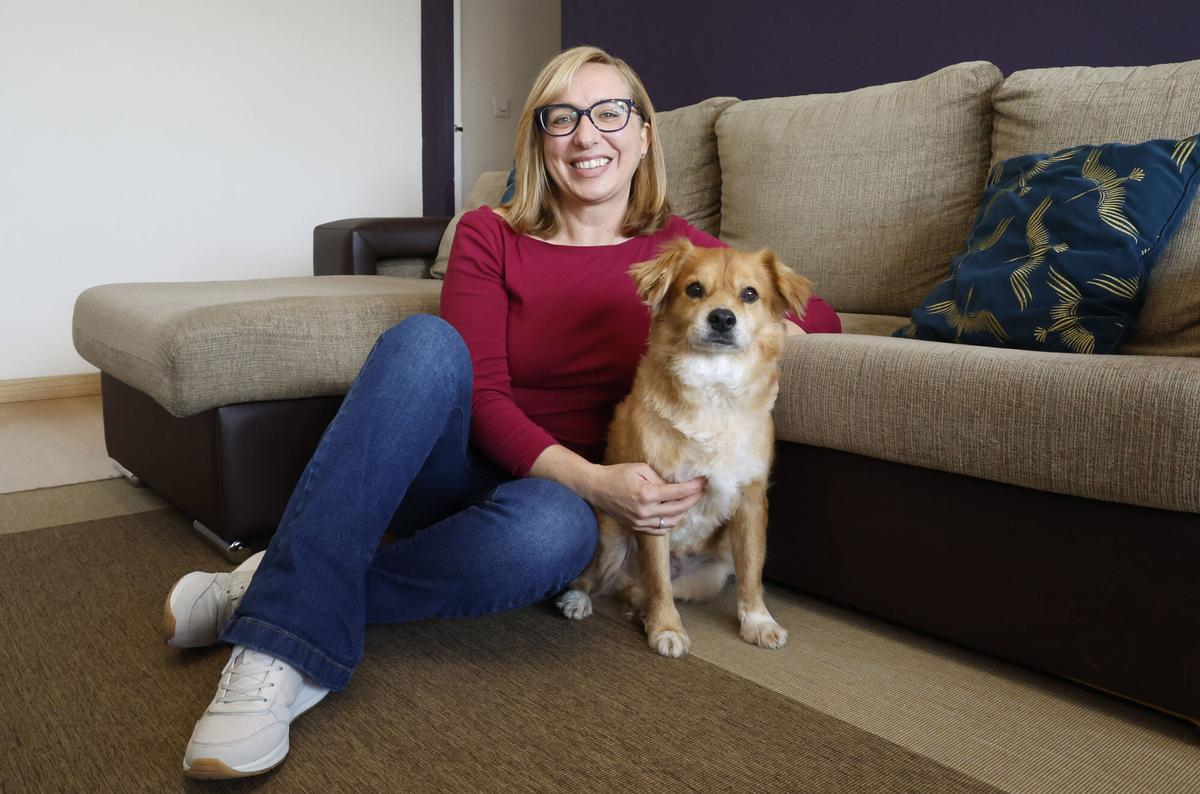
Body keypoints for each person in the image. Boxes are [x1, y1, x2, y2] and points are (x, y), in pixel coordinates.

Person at [164, 45, 841, 780]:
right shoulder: (490, 233)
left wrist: (770, 358)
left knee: (555, 537)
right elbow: (480, 394)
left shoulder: (681, 257)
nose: (587, 136)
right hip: (464, 463)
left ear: (644, 134)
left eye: (610, 113)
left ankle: (275, 586)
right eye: (564, 117)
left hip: (544, 504)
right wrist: (592, 480)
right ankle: (279, 643)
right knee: (425, 343)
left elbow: (816, 312)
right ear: (539, 138)